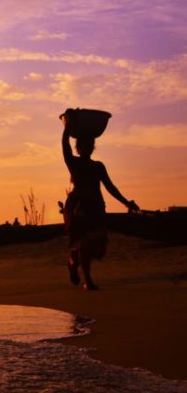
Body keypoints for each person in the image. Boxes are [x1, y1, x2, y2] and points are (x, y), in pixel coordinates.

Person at [62, 117, 138, 290]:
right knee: (84, 243)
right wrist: (67, 126)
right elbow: (64, 145)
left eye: (91, 145)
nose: (88, 148)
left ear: (93, 147)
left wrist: (126, 203)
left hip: (96, 207)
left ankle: (73, 262)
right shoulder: (73, 162)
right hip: (78, 208)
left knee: (98, 244)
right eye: (84, 145)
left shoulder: (98, 166)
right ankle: (88, 280)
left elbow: (110, 187)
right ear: (78, 148)